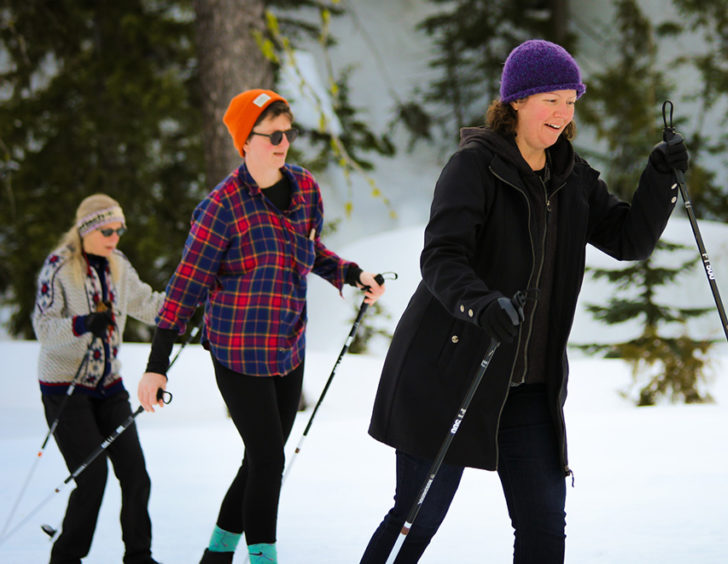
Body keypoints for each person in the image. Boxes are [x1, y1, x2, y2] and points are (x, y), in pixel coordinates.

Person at [360, 39, 689, 563]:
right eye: (550, 100)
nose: (562, 113)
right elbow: (442, 257)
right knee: (415, 518)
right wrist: (482, 305)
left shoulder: (571, 177)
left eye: (571, 101)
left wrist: (660, 178)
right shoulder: (474, 167)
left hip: (528, 386)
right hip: (451, 373)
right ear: (515, 101)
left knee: (543, 528)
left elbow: (629, 240)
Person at [136, 89, 386, 564]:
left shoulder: (305, 189)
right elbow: (185, 288)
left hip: (289, 350)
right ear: (244, 141)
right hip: (239, 354)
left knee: (259, 459)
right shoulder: (221, 208)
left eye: (287, 132)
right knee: (270, 460)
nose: (283, 143)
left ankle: (216, 556)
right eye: (272, 134)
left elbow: (308, 251)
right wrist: (156, 365)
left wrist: (352, 274)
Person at [32, 193, 166, 564]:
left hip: (109, 388)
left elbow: (148, 304)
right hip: (65, 388)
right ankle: (67, 558)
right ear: (87, 230)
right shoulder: (59, 267)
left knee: (136, 475)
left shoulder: (118, 265)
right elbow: (43, 328)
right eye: (107, 229)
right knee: (92, 479)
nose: (115, 236)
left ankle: (139, 556)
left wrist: (185, 306)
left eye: (120, 229)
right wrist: (82, 324)